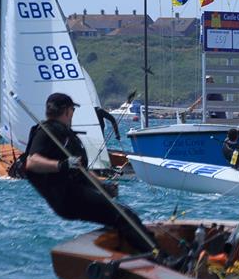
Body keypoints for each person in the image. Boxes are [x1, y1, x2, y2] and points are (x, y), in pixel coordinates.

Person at [25, 93, 157, 254]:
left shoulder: (64, 133)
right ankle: (156, 255)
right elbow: (32, 162)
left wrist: (103, 186)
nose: (73, 113)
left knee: (126, 213)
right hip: (67, 198)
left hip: (77, 192)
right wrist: (62, 165)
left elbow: (82, 171)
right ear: (67, 111)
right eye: (73, 109)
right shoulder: (47, 131)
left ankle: (140, 250)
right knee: (123, 216)